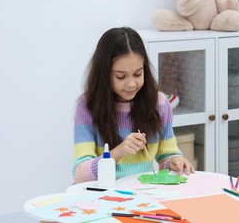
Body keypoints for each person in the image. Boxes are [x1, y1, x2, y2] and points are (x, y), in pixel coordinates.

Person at [73, 26, 194, 183]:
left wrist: (174, 161)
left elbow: (166, 155)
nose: (131, 84)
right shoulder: (87, 106)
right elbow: (81, 175)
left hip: (139, 195)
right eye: (121, 76)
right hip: (100, 197)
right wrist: (119, 151)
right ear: (104, 74)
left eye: (138, 74)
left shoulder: (159, 103)